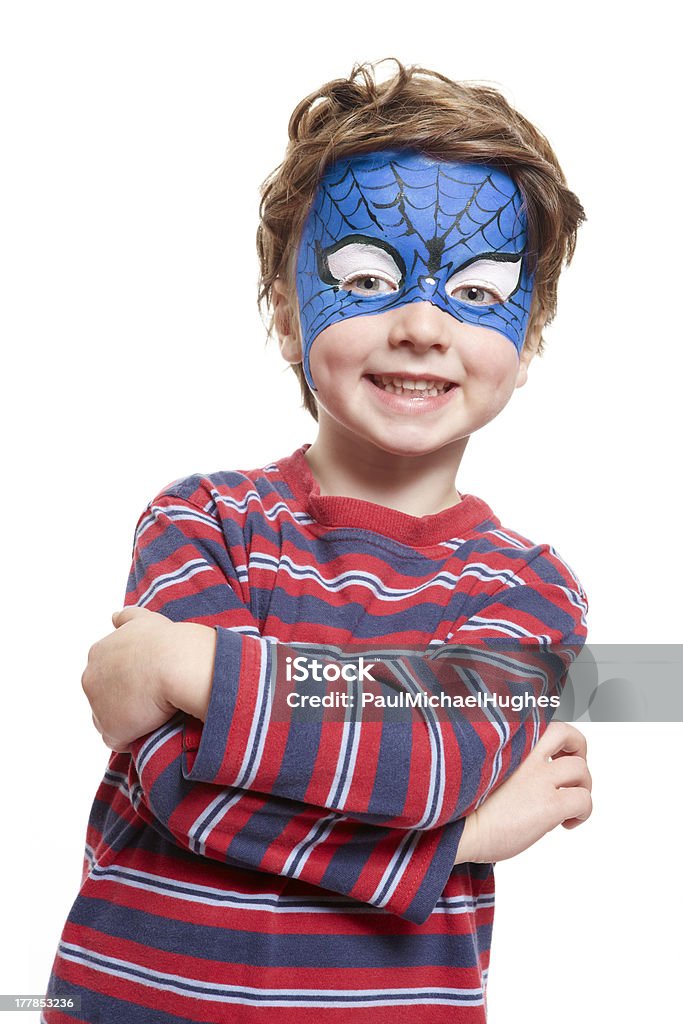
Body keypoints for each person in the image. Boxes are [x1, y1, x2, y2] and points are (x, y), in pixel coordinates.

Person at [44, 58, 593, 1023]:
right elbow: (181, 792)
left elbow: (428, 763)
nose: (422, 326)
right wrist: (452, 843)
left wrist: (193, 667)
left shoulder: (528, 590)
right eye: (367, 278)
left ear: (530, 333)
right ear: (289, 305)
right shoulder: (202, 522)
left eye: (475, 289)